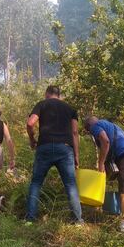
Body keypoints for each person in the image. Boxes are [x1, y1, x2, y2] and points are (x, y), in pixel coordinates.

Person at [26, 85, 83, 224]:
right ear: (59, 95)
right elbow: (75, 133)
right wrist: (76, 155)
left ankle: (30, 219)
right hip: (65, 149)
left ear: (47, 94)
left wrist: (32, 139)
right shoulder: (70, 109)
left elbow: (30, 123)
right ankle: (77, 221)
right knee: (70, 184)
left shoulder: (41, 104)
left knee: (36, 183)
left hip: (44, 146)